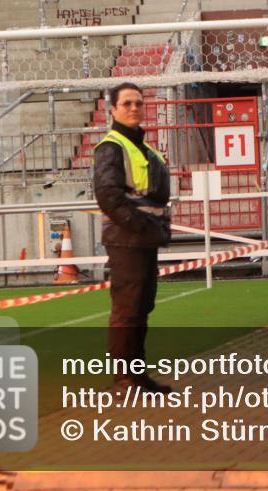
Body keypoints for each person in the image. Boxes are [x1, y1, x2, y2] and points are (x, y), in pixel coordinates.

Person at [93, 81, 173, 394]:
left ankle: (137, 377)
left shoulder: (143, 147)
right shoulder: (111, 147)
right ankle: (124, 380)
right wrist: (139, 225)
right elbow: (109, 196)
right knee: (127, 310)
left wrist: (152, 229)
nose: (134, 108)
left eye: (138, 103)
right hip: (127, 240)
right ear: (112, 109)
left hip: (144, 239)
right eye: (126, 103)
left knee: (141, 307)